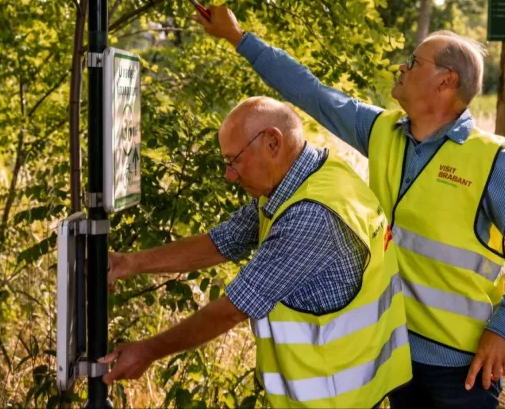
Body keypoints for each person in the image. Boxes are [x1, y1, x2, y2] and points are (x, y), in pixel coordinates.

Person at [194, 6, 505, 408]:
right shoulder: (382, 131)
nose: (400, 68)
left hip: (461, 371)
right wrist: (237, 37)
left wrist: (504, 329)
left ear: (446, 81)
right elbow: (314, 94)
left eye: (414, 62)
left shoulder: (489, 160)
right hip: (393, 357)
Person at [100, 96, 412, 408]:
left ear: (273, 142)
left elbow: (232, 309)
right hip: (346, 380)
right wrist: (129, 264)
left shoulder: (310, 216)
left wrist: (147, 351)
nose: (229, 175)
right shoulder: (310, 177)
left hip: (330, 396)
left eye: (234, 161)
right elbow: (224, 240)